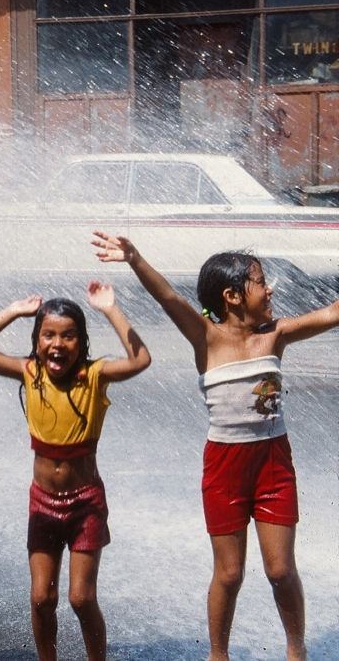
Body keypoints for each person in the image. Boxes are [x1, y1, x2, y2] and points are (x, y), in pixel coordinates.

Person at [92, 231, 339, 661]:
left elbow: (334, 312)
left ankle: (296, 650)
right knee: (229, 573)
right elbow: (168, 297)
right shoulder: (205, 337)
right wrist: (134, 258)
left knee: (280, 570)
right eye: (261, 282)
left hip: (274, 465)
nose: (271, 289)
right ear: (232, 295)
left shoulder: (276, 335)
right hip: (224, 469)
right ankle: (218, 654)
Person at [0, 283, 151, 661]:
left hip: (86, 504)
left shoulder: (94, 376)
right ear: (37, 339)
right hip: (43, 502)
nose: (58, 344)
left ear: (81, 343)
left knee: (81, 598)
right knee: (41, 597)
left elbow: (140, 359)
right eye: (48, 335)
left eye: (68, 336)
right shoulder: (29, 372)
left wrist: (111, 309)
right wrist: (14, 311)